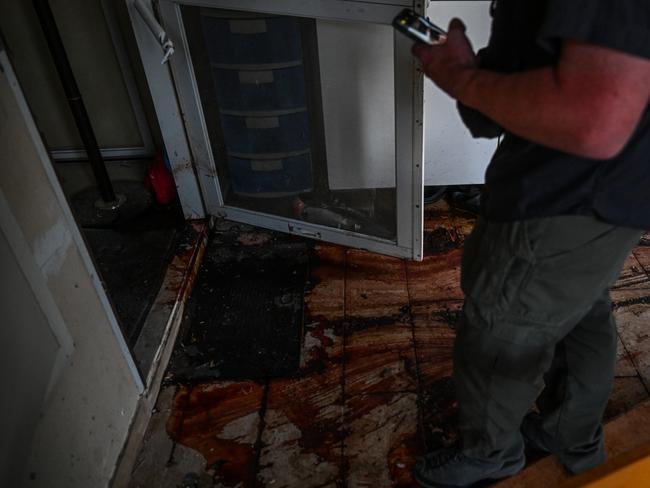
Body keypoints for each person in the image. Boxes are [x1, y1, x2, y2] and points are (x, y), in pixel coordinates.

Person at [411, 1, 650, 487]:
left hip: (565, 196)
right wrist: (472, 78)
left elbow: (595, 119)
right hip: (618, 191)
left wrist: (461, 78)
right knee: (580, 308)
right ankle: (569, 432)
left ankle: (492, 455)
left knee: (503, 325)